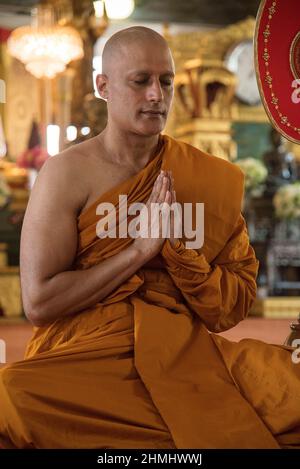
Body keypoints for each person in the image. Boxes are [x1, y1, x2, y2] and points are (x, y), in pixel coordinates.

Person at [0, 26, 299, 450]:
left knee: (292, 389)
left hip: (188, 354)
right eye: (140, 81)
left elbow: (231, 308)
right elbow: (40, 302)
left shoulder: (207, 178)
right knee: (11, 395)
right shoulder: (67, 174)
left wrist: (182, 257)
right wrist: (139, 251)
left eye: (166, 81)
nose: (156, 95)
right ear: (103, 86)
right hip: (90, 355)